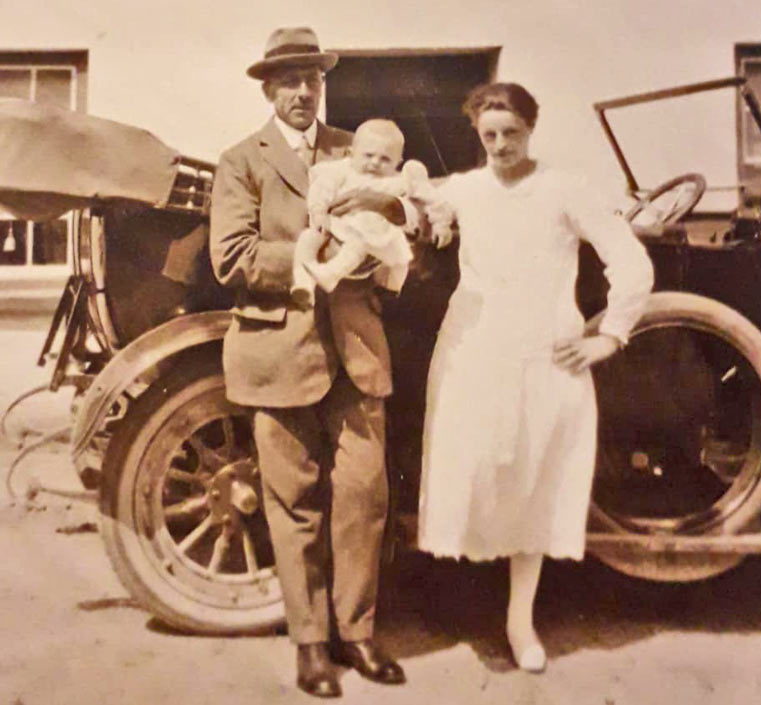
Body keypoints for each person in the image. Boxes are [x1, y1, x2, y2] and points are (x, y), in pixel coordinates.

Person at [418, 83, 654, 672]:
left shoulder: (564, 189)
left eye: (512, 134)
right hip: (474, 351)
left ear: (531, 129)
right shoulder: (465, 189)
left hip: (544, 355)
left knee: (533, 481)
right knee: (471, 477)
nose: (501, 145)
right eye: (489, 135)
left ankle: (519, 620)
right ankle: (461, 604)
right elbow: (414, 201)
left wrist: (610, 335)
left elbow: (630, 258)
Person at [209, 27, 414, 699]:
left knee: (363, 496)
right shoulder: (242, 160)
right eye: (290, 80)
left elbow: (404, 214)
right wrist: (318, 247)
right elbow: (232, 257)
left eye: (313, 79)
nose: (304, 91)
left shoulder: (359, 149)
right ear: (269, 90)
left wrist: (390, 218)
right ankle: (311, 645)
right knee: (293, 502)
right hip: (279, 352)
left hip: (357, 354)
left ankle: (357, 634)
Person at [292, 118, 453, 308]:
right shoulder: (341, 170)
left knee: (387, 254)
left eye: (385, 159)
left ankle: (345, 278)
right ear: (352, 153)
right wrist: (318, 212)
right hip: (337, 228)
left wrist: (441, 224)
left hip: (376, 236)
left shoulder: (399, 180)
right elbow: (321, 189)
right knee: (308, 238)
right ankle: (303, 283)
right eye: (368, 155)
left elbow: (432, 198)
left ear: (398, 161)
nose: (375, 163)